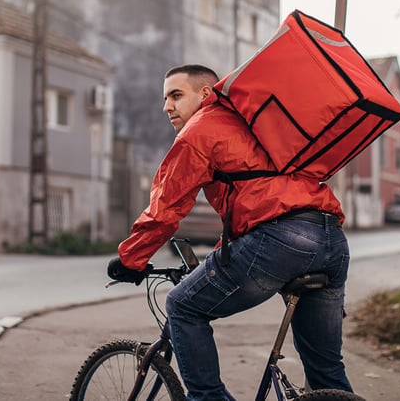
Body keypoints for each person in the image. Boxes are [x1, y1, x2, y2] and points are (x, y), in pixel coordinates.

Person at [108, 64, 354, 400]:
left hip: (281, 242)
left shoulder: (201, 129)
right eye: (165, 97)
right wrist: (220, 255)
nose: (167, 106)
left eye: (176, 95)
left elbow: (166, 206)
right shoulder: (257, 122)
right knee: (326, 372)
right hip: (331, 241)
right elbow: (255, 199)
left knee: (182, 306)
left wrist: (130, 259)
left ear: (207, 94)